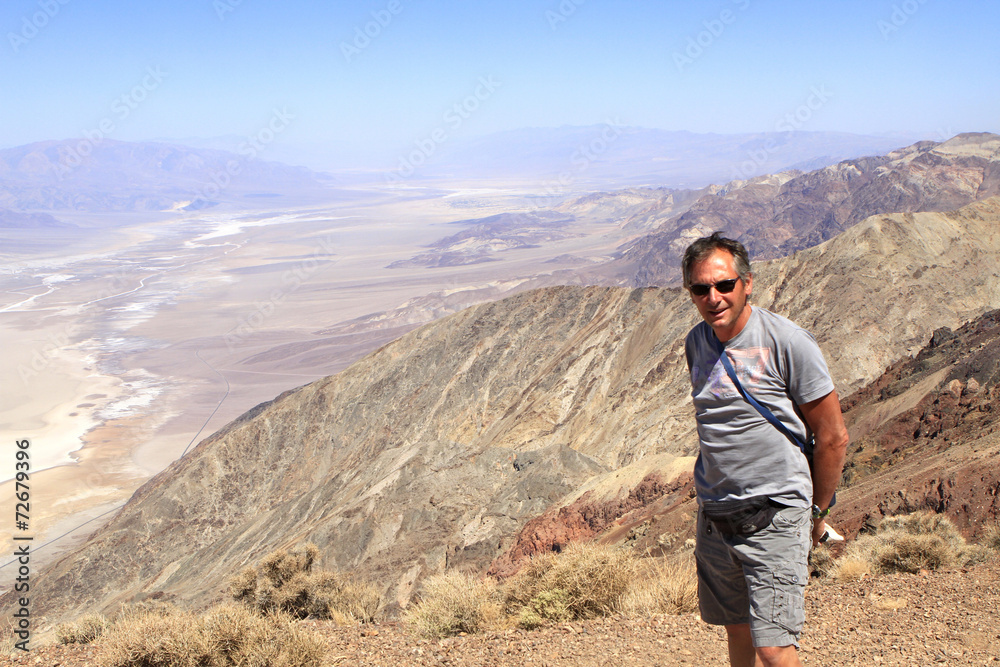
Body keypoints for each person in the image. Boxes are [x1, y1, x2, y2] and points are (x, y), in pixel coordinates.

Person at [682, 232, 848, 667]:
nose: (713, 297)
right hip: (717, 513)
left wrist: (818, 512)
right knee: (737, 628)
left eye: (724, 285)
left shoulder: (787, 342)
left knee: (773, 646)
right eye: (701, 288)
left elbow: (832, 436)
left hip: (775, 511)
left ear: (747, 283)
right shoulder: (696, 342)